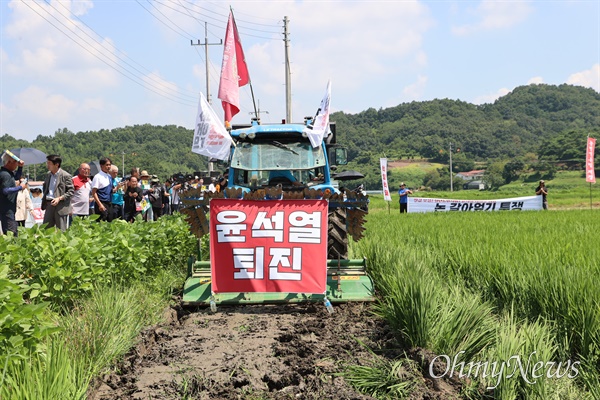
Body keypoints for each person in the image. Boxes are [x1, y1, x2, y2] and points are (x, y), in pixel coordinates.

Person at [42, 154, 74, 231]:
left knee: (61, 230)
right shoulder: (48, 175)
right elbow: (45, 188)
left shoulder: (65, 175)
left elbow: (71, 191)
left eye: (49, 163)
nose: (47, 165)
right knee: (46, 229)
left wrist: (59, 198)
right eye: (47, 163)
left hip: (61, 206)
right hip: (49, 204)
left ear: (57, 164)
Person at [1, 152, 27, 235]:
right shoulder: (5, 175)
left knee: (14, 232)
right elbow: (5, 190)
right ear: (9, 162)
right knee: (11, 234)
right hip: (6, 210)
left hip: (10, 209)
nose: (17, 164)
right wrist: (20, 187)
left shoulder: (8, 173)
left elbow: (16, 177)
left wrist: (20, 167)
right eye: (16, 162)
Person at [91, 157, 114, 222]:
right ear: (101, 166)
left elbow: (111, 191)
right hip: (101, 202)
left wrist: (117, 187)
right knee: (101, 222)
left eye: (110, 165)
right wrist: (100, 204)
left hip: (109, 202)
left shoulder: (109, 176)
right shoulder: (97, 177)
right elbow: (94, 192)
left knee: (110, 222)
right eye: (107, 165)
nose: (109, 166)